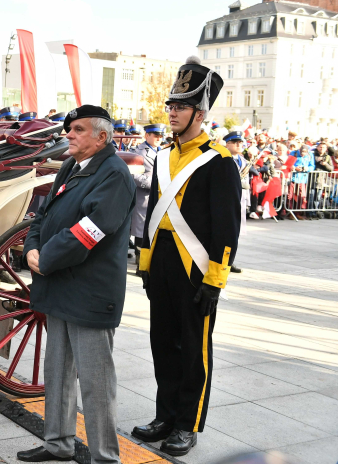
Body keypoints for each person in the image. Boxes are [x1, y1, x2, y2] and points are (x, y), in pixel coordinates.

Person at [133, 56, 241, 457]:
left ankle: (187, 424)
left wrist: (215, 280)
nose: (172, 113)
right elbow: (151, 217)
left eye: (180, 107)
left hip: (197, 270)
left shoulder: (219, 162)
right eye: (171, 106)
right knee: (162, 343)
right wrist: (146, 266)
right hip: (161, 264)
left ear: (201, 112)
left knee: (194, 350)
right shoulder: (163, 155)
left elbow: (227, 229)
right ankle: (164, 415)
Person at [17, 105, 134, 463]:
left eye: (78, 129)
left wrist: (45, 258)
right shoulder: (72, 165)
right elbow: (45, 214)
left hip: (89, 293)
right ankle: (58, 443)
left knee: (95, 382)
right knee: (57, 373)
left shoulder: (114, 175)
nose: (68, 134)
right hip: (60, 287)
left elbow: (90, 231)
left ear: (101, 136)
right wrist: (32, 248)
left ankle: (104, 456)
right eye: (69, 128)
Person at [131, 123, 165, 273]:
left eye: (160, 136)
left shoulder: (163, 151)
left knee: (152, 229)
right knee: (141, 230)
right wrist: (154, 184)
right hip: (143, 195)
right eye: (155, 135)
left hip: (158, 196)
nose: (158, 138)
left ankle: (147, 261)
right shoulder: (138, 152)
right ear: (147, 136)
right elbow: (133, 174)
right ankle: (140, 264)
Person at [224, 130, 248, 272]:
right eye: (235, 142)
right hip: (228, 200)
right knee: (227, 231)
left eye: (240, 142)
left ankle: (230, 260)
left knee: (236, 232)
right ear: (227, 144)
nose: (239, 145)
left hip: (241, 199)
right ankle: (223, 260)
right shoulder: (224, 160)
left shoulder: (243, 160)